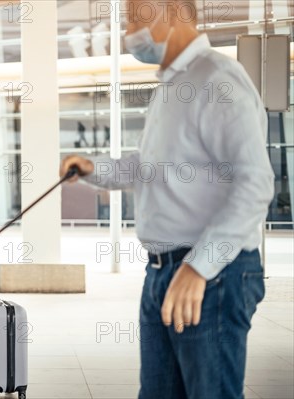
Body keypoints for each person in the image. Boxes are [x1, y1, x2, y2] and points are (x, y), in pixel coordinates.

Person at [61, 1, 275, 398]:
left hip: (211, 275)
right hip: (162, 272)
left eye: (136, 16)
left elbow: (256, 183)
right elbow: (150, 168)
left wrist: (200, 267)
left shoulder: (218, 77)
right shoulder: (173, 85)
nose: (128, 29)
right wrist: (93, 169)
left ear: (175, 11)